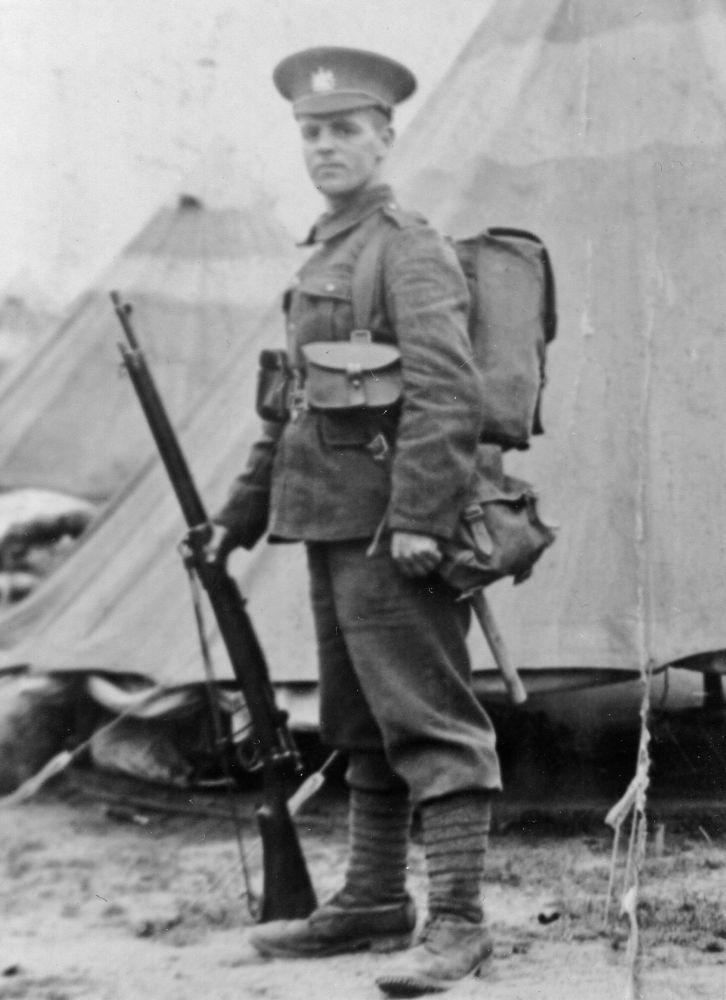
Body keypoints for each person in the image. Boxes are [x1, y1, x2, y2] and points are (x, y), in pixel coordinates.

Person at [206, 46, 502, 997]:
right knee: (360, 720)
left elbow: (448, 393)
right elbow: (292, 411)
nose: (326, 145)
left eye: (345, 129)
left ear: (384, 136)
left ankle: (458, 921)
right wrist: (236, 519)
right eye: (312, 131)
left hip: (390, 531)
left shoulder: (405, 245)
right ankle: (374, 899)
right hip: (330, 525)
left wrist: (421, 515)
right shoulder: (325, 252)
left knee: (429, 718)